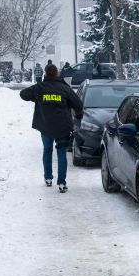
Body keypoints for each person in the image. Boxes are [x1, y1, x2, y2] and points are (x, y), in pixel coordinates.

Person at [19, 63, 83, 193]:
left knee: (47, 151)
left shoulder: (40, 88)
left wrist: (37, 98)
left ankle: (48, 178)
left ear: (45, 73)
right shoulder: (64, 88)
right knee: (61, 153)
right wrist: (77, 115)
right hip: (62, 127)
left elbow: (23, 94)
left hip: (45, 126)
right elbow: (78, 104)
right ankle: (61, 183)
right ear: (57, 73)